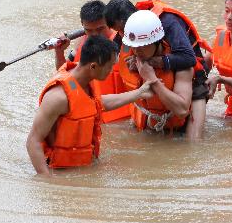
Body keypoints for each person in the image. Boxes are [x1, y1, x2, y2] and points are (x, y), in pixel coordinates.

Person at [26, 35, 154, 176]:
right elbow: (33, 141)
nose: (111, 70)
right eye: (110, 66)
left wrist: (139, 93)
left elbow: (98, 103)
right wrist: (49, 183)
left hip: (84, 167)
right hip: (60, 172)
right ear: (93, 66)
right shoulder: (57, 98)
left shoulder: (85, 79)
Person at [105, 0, 211, 139]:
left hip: (191, 73)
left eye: (141, 46)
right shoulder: (129, 31)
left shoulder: (167, 23)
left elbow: (189, 59)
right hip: (151, 99)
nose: (135, 50)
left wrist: (153, 68)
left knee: (194, 141)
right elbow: (106, 57)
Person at [118, 10, 194, 134]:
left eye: (142, 46)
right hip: (140, 128)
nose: (136, 51)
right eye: (133, 46)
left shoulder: (181, 64)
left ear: (157, 41)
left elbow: (182, 110)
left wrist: (152, 79)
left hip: (173, 134)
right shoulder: (129, 56)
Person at [54, 0, 131, 123]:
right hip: (93, 117)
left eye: (100, 29)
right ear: (82, 26)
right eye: (89, 30)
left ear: (109, 23)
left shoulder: (125, 42)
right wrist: (59, 52)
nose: (95, 35)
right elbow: (66, 77)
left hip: (123, 122)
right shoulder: (81, 43)